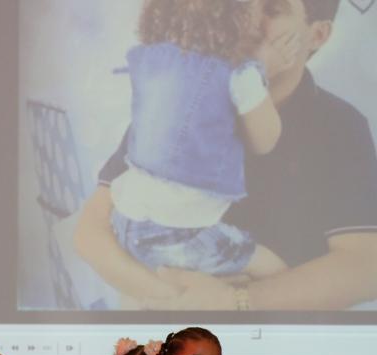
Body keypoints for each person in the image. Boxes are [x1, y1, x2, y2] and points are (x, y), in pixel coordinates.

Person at [75, 0, 377, 311]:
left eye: (273, 10)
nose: (250, 19)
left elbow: (365, 267)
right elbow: (91, 231)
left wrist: (234, 302)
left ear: (317, 35)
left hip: (272, 336)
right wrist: (176, 299)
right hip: (165, 325)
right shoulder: (182, 95)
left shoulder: (340, 126)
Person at [109, 0, 293, 279]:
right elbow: (265, 141)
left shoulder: (150, 57)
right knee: (277, 272)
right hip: (177, 232)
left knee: (222, 277)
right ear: (239, 12)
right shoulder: (239, 72)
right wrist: (263, 69)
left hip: (125, 219)